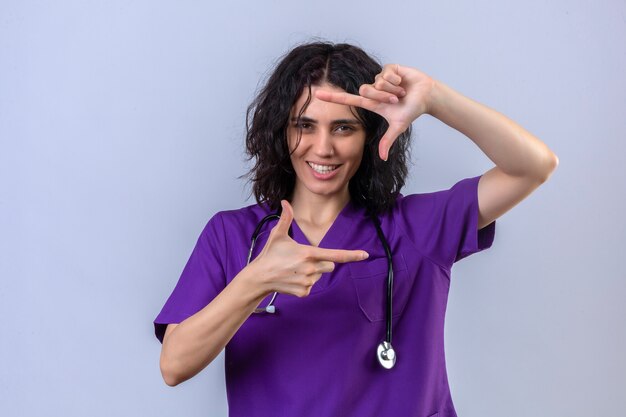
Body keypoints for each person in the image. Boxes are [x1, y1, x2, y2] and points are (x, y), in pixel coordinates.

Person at [153, 41, 558, 417]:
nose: (323, 147)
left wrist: (434, 98)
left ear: (370, 136)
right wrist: (255, 280)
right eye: (304, 125)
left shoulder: (416, 228)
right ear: (281, 132)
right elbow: (174, 365)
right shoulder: (232, 236)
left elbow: (534, 166)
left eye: (343, 128)